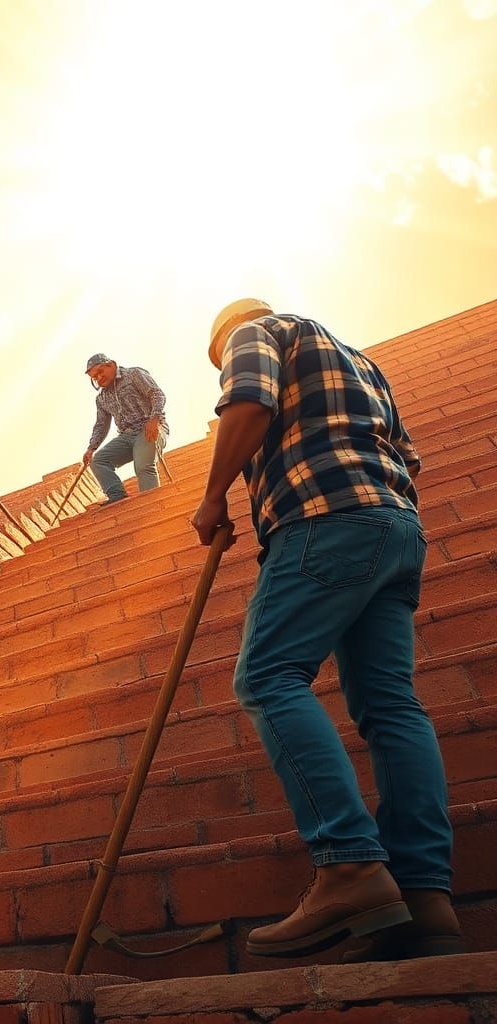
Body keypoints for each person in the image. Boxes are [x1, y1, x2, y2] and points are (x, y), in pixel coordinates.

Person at [192, 298, 461, 961]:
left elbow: (249, 401)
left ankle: (349, 865)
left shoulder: (254, 333)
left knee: (267, 677)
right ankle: (425, 898)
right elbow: (410, 458)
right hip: (395, 528)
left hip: (323, 520)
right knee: (391, 706)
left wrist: (214, 492)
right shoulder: (363, 366)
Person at [81, 354, 169, 505]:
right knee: (98, 461)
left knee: (143, 466)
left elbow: (157, 394)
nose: (99, 378)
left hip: (150, 428)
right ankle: (117, 495)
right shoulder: (101, 398)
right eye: (95, 377)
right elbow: (101, 425)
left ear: (111, 365)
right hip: (126, 436)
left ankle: (152, 505)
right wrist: (91, 448)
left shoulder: (134, 374)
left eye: (101, 372)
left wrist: (154, 419)